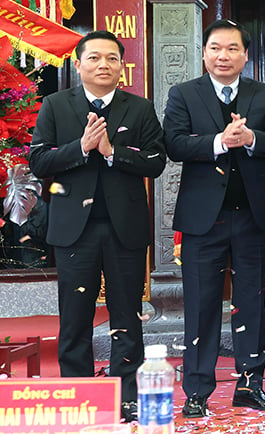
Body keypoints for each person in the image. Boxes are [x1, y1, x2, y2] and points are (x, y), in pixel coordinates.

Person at [29, 31, 166, 422]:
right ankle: (80, 394)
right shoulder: (56, 106)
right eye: (94, 58)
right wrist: (82, 148)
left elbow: (156, 161)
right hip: (74, 230)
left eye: (111, 58)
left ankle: (126, 396)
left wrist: (112, 152)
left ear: (121, 66)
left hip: (125, 228)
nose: (103, 65)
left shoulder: (139, 109)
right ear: (79, 64)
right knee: (75, 317)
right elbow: (40, 161)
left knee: (127, 315)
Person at [163, 20, 265, 417]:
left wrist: (251, 139)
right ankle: (197, 389)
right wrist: (219, 141)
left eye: (233, 49)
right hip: (204, 219)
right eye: (216, 48)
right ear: (204, 53)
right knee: (201, 304)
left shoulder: (262, 93)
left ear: (245, 55)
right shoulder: (184, 94)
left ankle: (251, 384)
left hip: (251, 215)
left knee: (252, 299)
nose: (224, 55)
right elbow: (174, 144)